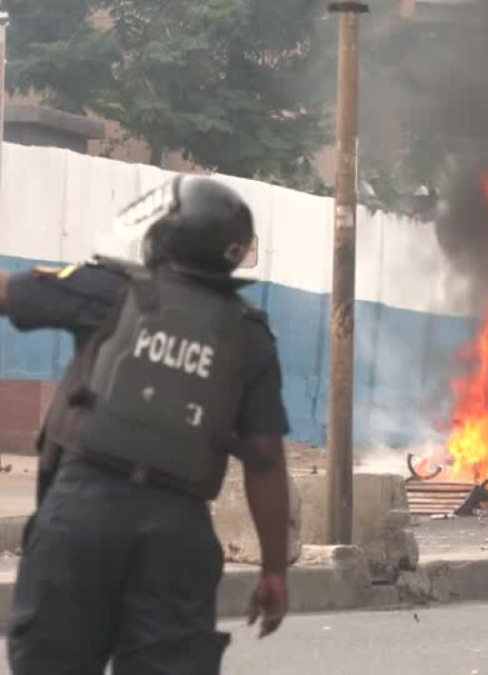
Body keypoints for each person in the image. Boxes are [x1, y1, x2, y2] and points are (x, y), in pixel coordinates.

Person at [3, 176, 292, 674]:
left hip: (80, 513)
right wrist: (272, 570)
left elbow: (9, 293)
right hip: (178, 534)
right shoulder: (250, 335)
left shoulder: (109, 290)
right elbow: (264, 460)